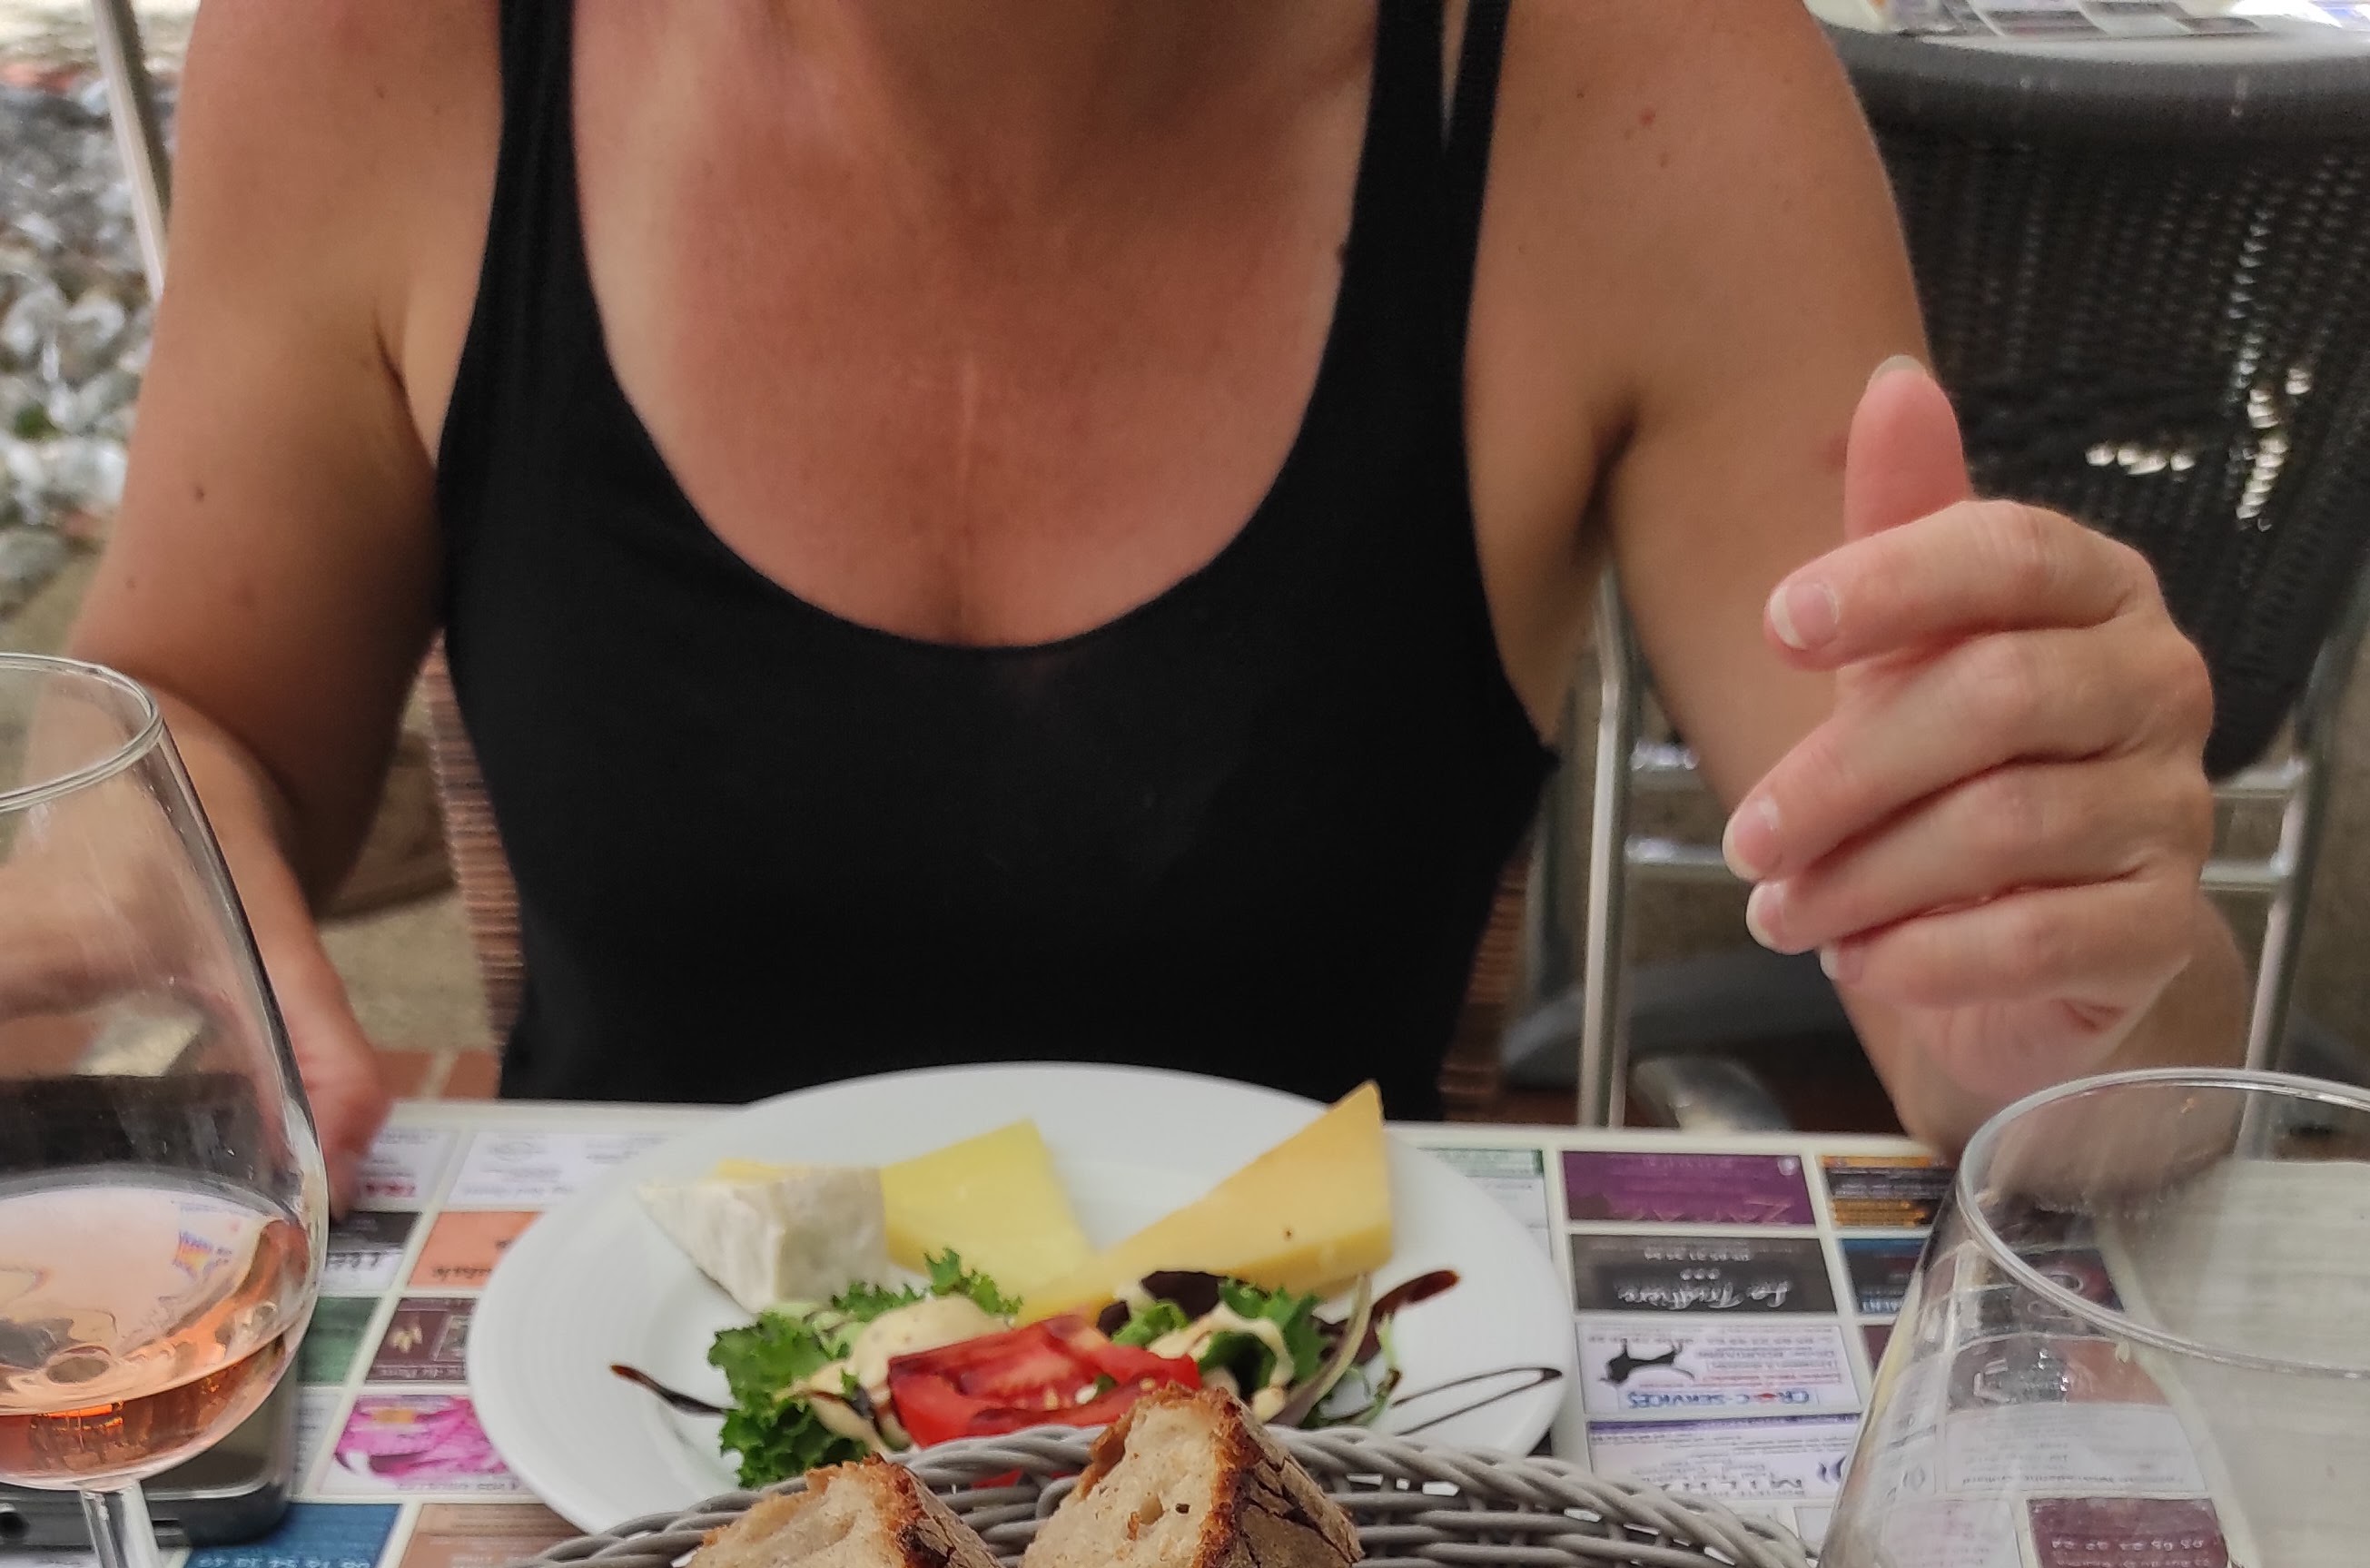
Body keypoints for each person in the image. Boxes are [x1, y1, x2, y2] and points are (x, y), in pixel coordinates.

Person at [76, 0, 2240, 1198]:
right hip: (610, 1478)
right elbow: (186, 734)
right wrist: (116, 852)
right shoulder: (379, 45)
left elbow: (2061, 1039)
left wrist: (2066, 997)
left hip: (1341, 1531)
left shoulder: (1636, 75)